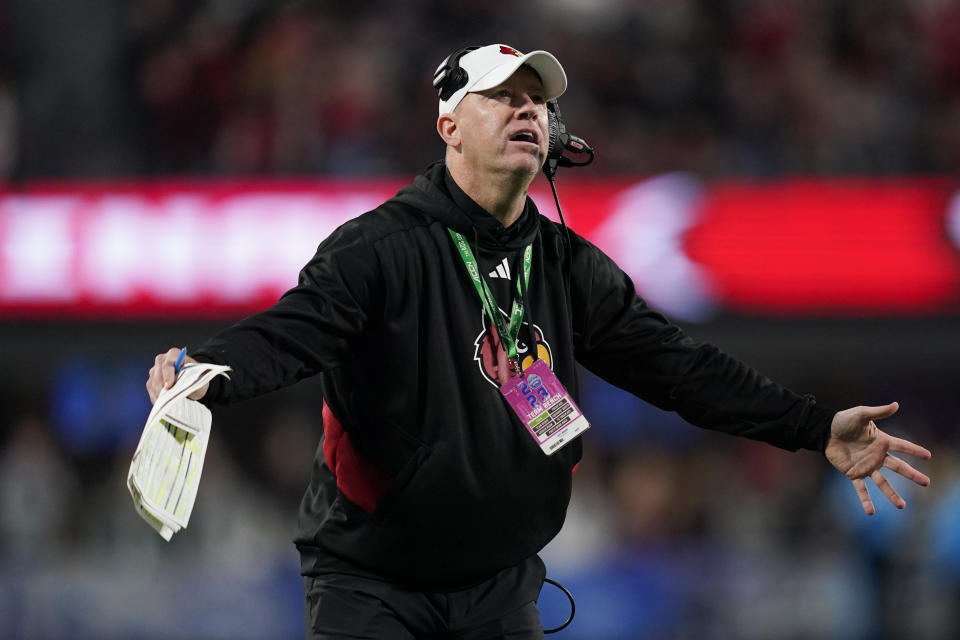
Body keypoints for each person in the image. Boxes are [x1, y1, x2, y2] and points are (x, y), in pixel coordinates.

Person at [146, 44, 932, 639]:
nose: (529, 111)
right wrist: (201, 376)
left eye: (537, 102)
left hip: (503, 586)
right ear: (449, 124)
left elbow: (681, 369)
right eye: (504, 98)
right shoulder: (378, 250)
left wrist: (809, 426)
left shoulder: (565, 264)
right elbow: (293, 333)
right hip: (372, 585)